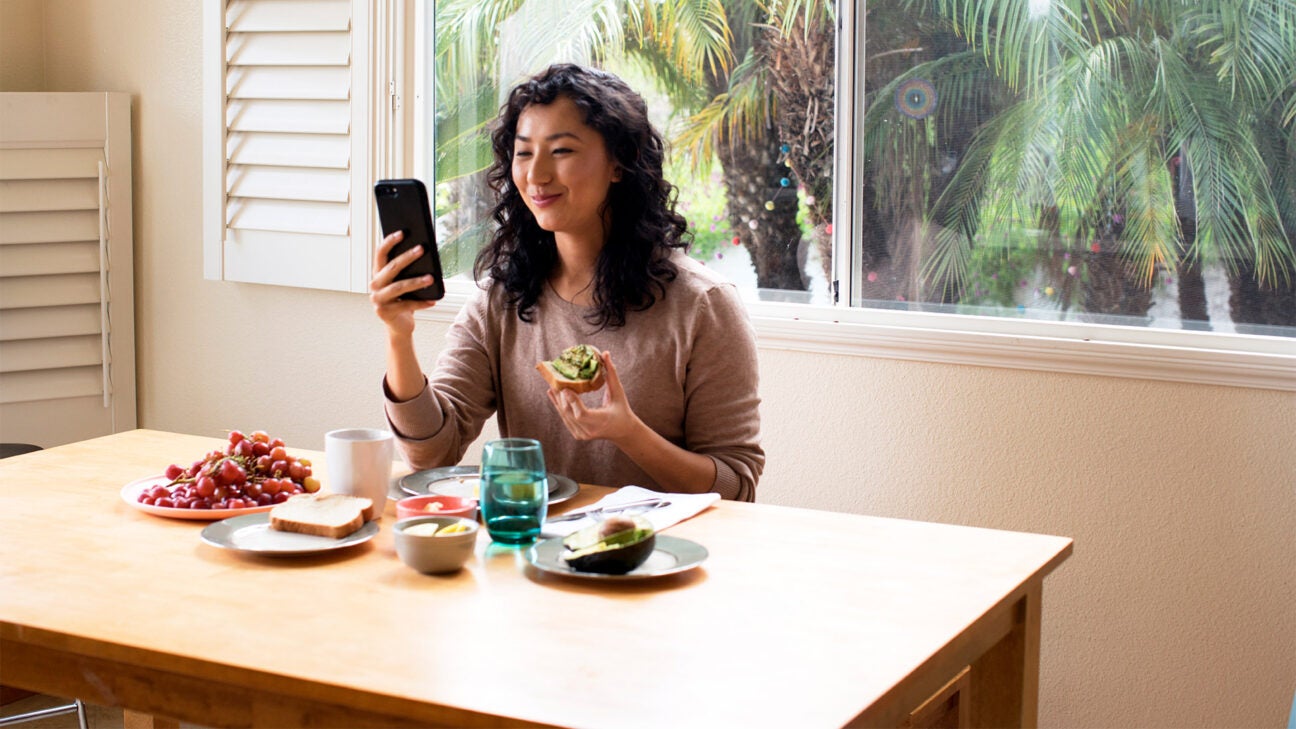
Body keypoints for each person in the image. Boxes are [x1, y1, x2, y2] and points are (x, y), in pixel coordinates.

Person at [371, 63, 763, 501]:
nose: (536, 175)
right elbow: (432, 455)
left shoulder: (703, 305)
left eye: (561, 151)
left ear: (619, 163)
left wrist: (629, 434)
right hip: (533, 550)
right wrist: (399, 336)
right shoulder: (501, 299)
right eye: (523, 152)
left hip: (656, 558)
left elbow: (736, 486)